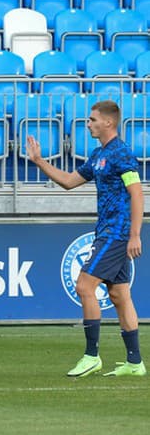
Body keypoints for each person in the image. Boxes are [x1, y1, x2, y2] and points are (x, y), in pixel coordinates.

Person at [27, 100, 145, 377]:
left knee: (83, 285)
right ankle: (135, 362)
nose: (88, 123)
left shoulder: (121, 153)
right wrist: (40, 161)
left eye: (92, 119)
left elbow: (137, 193)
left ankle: (92, 356)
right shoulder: (99, 154)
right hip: (106, 230)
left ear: (108, 122)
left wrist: (135, 235)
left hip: (117, 232)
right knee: (119, 295)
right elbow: (69, 181)